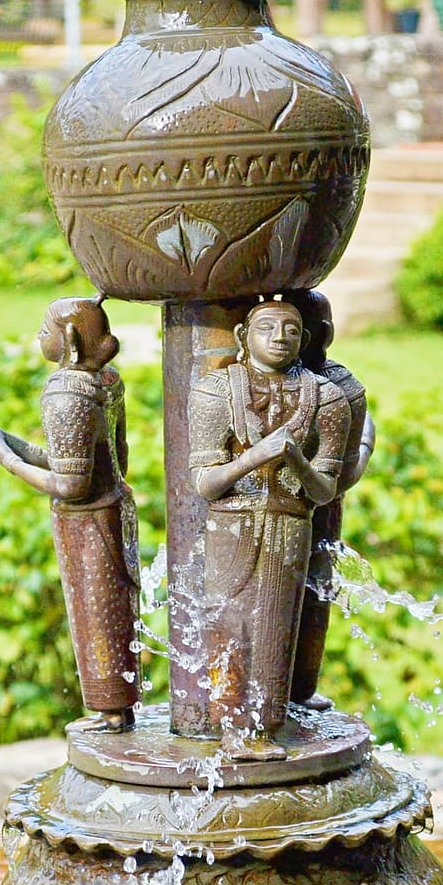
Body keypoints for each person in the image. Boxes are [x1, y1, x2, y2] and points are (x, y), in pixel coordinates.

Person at [188, 299, 351, 761]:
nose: (280, 337)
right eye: (267, 327)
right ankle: (232, 728)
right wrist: (257, 456)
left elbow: (322, 492)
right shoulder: (216, 391)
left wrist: (296, 459)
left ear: (303, 339)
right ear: (243, 336)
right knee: (230, 623)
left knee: (276, 624)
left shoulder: (327, 398)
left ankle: (263, 728)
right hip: (232, 526)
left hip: (288, 524)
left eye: (291, 330)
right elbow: (205, 483)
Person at [0, 298, 140, 732]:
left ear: (69, 340)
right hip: (114, 506)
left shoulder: (66, 392)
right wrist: (30, 452)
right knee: (114, 606)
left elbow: (73, 484)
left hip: (86, 519)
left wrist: (10, 462)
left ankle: (110, 709)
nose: (39, 336)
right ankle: (119, 704)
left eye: (44, 329)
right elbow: (111, 457)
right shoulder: (107, 380)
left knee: (96, 611)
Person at [288, 289, 376, 711]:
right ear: (326, 333)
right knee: (313, 591)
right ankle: (300, 688)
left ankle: (300, 689)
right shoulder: (341, 384)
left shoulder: (328, 386)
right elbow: (346, 471)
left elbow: (336, 478)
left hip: (306, 506)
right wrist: (365, 450)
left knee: (311, 590)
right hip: (318, 508)